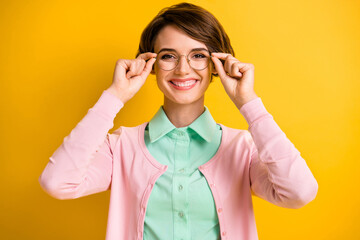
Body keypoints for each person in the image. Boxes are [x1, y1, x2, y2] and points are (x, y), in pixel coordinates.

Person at [39, 2, 318, 240]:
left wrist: (248, 103)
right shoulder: (121, 147)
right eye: (168, 56)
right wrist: (114, 96)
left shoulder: (243, 148)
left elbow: (299, 192)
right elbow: (57, 183)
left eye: (198, 56)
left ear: (215, 66)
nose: (183, 69)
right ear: (150, 64)